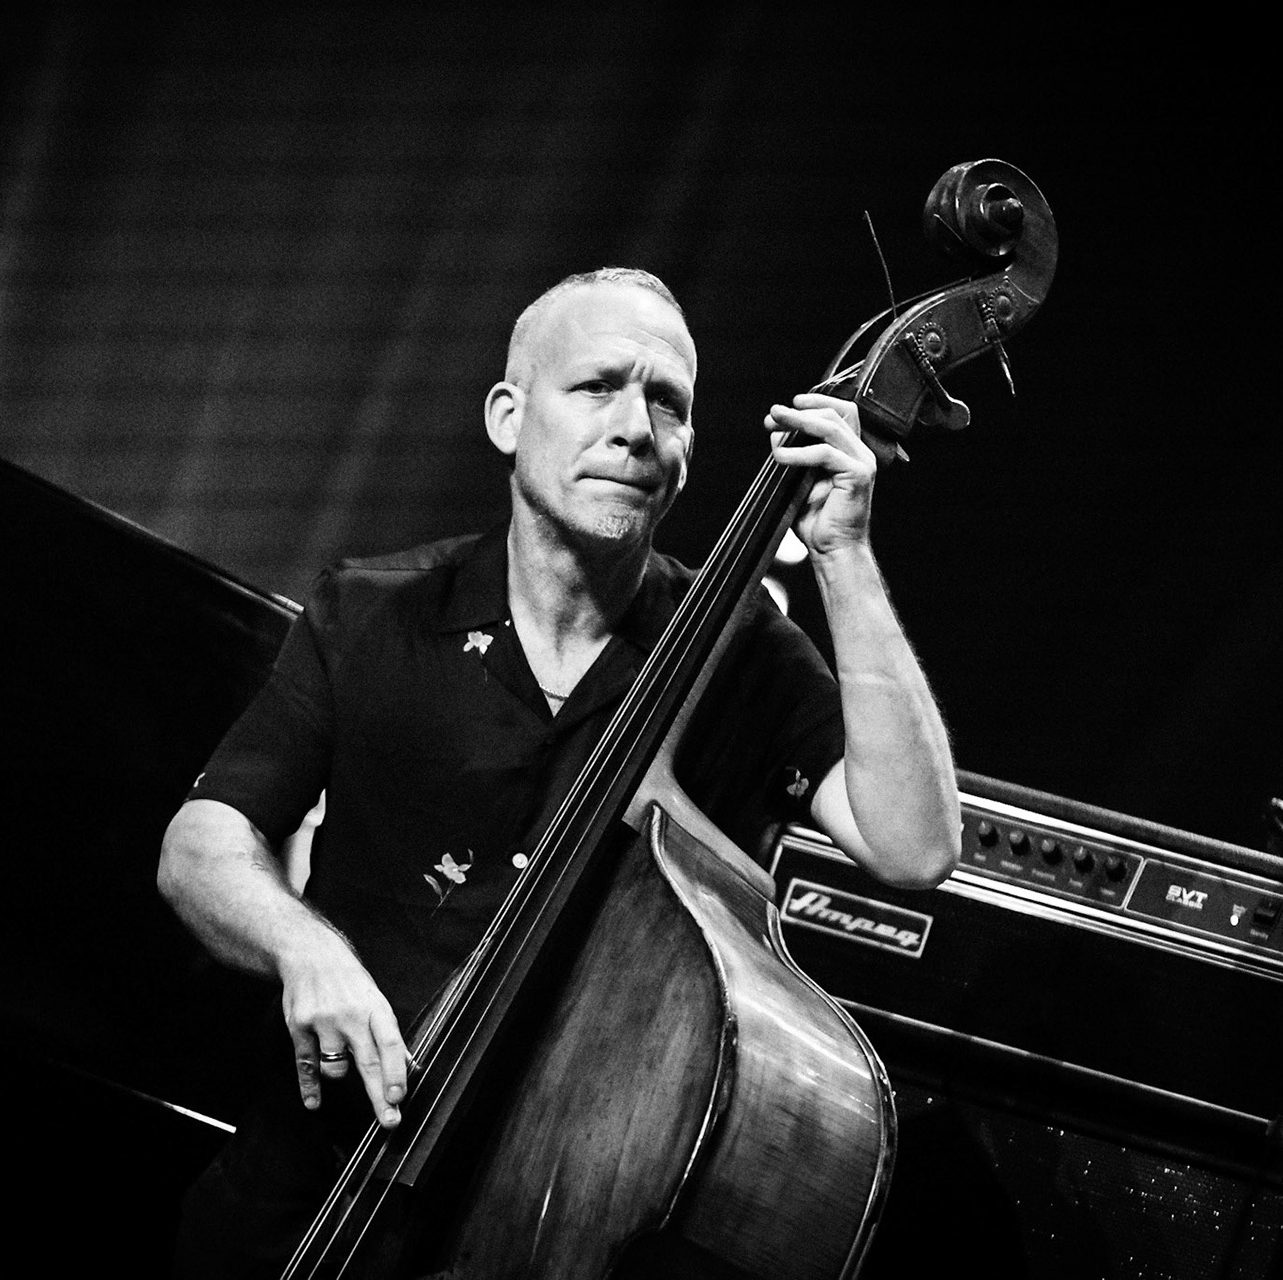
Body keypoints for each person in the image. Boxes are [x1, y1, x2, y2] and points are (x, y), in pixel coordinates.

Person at [157, 266, 959, 1276]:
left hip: (545, 1229)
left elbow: (914, 843)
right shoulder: (372, 612)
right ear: (508, 415)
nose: (635, 425)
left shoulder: (738, 648)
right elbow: (203, 840)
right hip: (306, 1195)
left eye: (668, 402)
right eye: (598, 386)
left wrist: (843, 552)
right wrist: (303, 947)